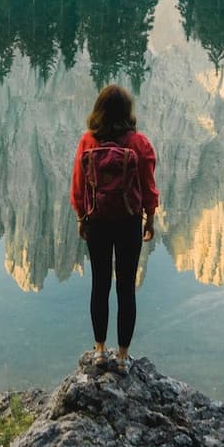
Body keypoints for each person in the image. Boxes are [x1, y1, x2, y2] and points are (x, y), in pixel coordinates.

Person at [70, 83, 159, 361]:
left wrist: (81, 217)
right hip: (128, 222)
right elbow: (148, 186)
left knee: (99, 284)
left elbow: (78, 185)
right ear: (127, 111)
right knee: (125, 288)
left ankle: (99, 350)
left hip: (97, 221)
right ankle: (122, 357)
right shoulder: (139, 143)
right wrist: (150, 219)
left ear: (99, 111)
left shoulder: (88, 141)